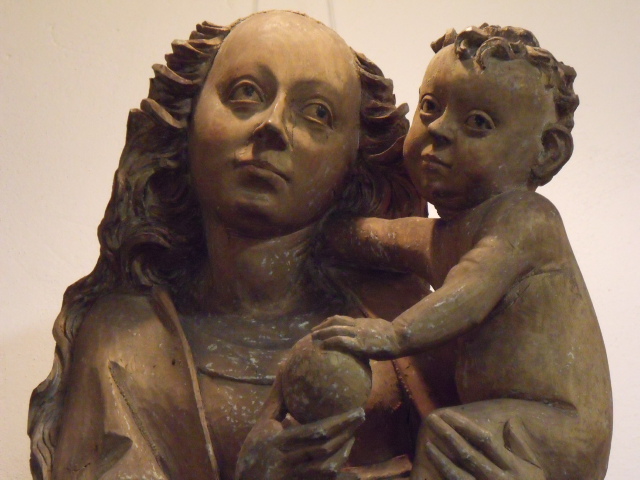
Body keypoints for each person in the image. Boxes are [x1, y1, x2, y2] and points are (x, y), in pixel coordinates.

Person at [28, 11, 430, 480]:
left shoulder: (404, 326)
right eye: (246, 93)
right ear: (188, 118)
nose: (272, 125)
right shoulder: (122, 343)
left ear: (355, 159)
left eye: (317, 113)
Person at [313, 25, 613, 480]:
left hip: (558, 424)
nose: (439, 128)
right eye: (430, 107)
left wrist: (392, 335)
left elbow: (468, 294)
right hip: (510, 413)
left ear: (546, 152)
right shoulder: (448, 234)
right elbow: (380, 238)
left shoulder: (526, 219)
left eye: (478, 123)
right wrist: (311, 225)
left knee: (445, 433)